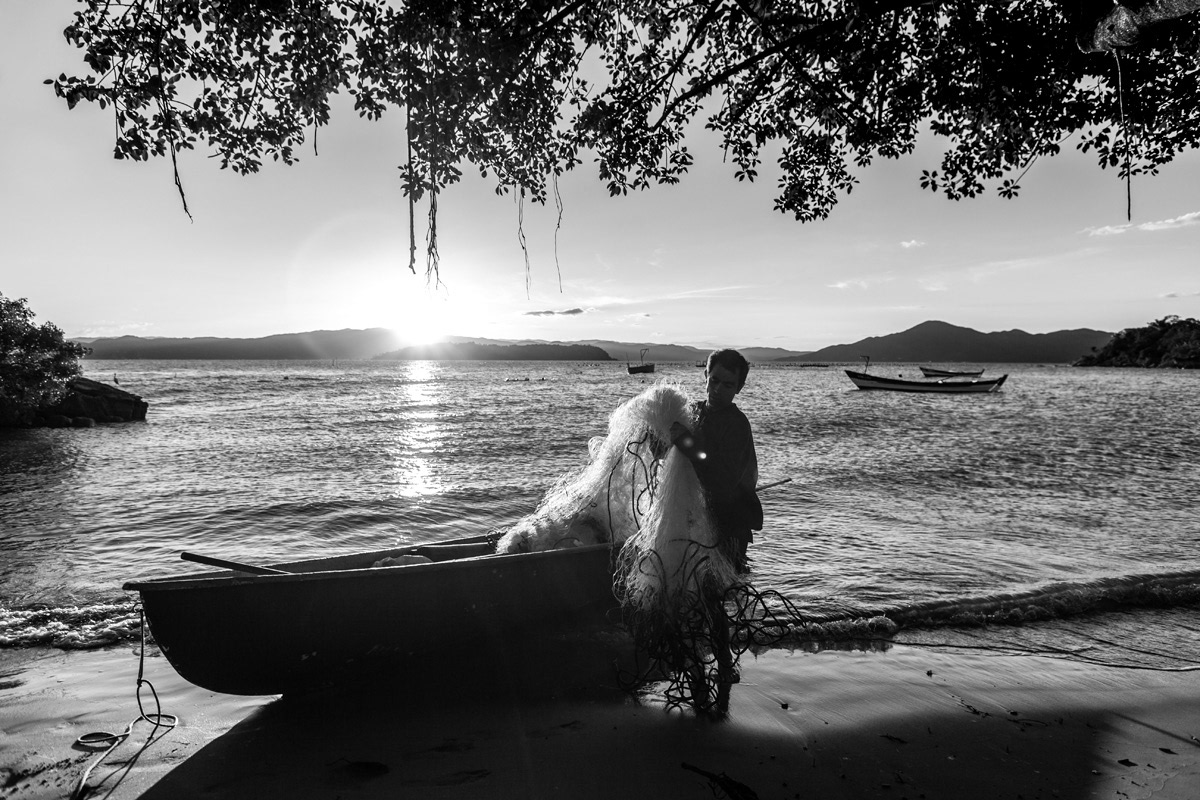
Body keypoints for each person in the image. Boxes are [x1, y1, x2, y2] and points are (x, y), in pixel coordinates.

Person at [670, 348, 762, 573]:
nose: (718, 389)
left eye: (728, 385)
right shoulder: (692, 412)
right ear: (706, 376)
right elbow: (668, 454)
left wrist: (686, 442)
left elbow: (721, 478)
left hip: (730, 527)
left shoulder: (737, 425)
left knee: (723, 585)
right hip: (697, 521)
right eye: (714, 381)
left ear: (739, 387)